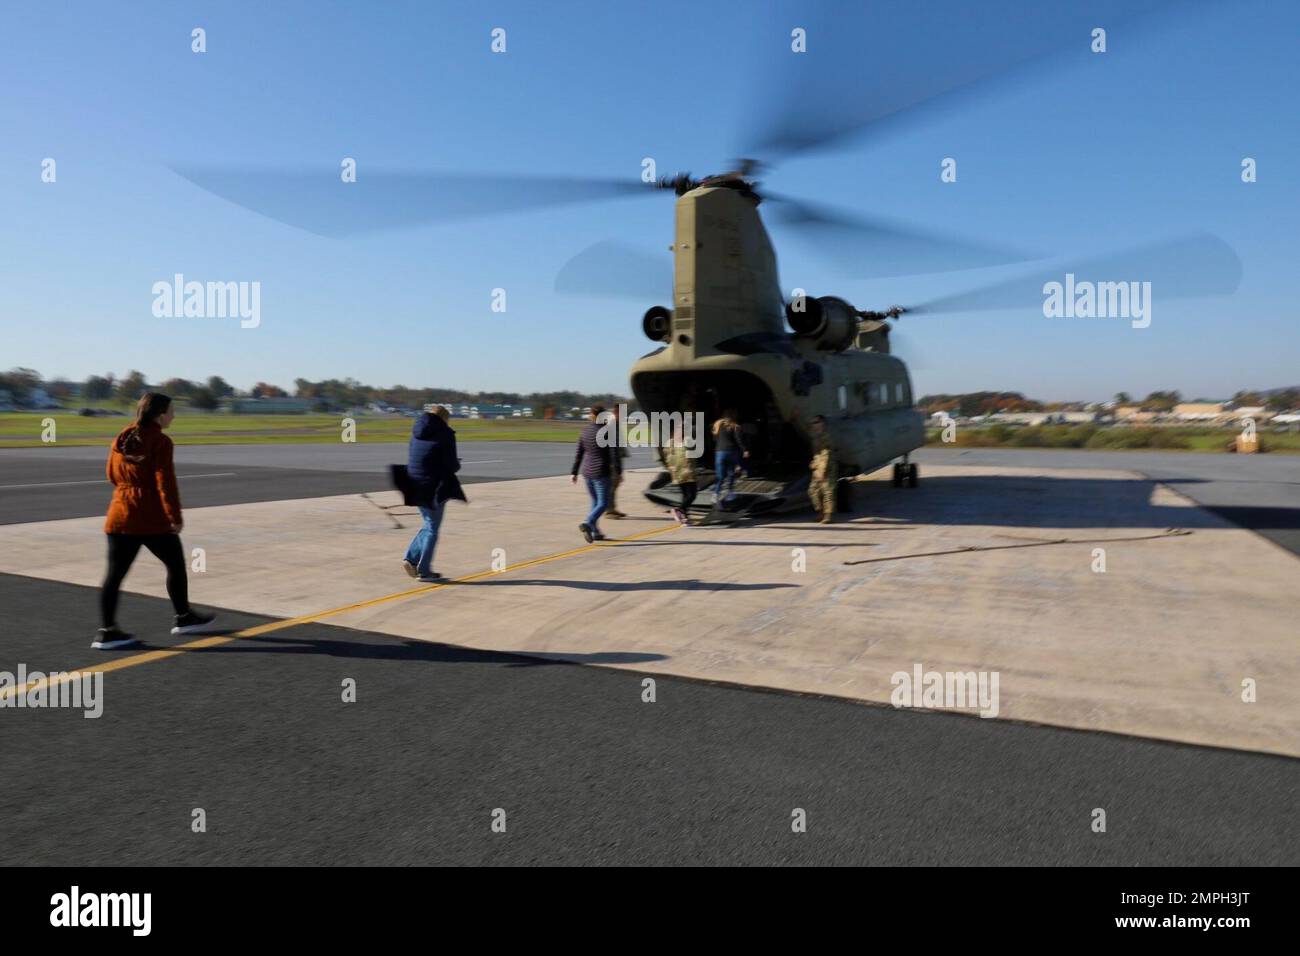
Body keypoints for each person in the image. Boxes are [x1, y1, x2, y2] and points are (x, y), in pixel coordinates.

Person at [97, 392, 215, 649]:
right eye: (172, 411)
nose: (174, 415)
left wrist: (128, 489)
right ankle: (183, 617)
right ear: (160, 415)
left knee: (114, 575)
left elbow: (110, 475)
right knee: (175, 564)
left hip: (118, 514)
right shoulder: (161, 441)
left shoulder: (122, 436)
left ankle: (107, 631)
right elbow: (166, 483)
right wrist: (175, 516)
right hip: (149, 517)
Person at [403, 406, 463, 583]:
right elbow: (451, 465)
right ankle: (424, 570)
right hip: (433, 485)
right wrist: (457, 464)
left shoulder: (416, 430)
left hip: (413, 482)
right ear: (444, 419)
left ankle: (411, 559)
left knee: (429, 524)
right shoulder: (446, 434)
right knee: (433, 528)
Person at [571, 405, 615, 542]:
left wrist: (574, 472)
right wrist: (618, 470)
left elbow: (579, 453)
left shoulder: (585, 431)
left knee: (595, 502)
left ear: (591, 415)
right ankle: (588, 522)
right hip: (601, 472)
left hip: (587, 472)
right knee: (603, 503)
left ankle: (595, 532)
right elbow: (613, 453)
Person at [711, 410, 748, 507]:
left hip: (719, 452)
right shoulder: (734, 426)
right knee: (731, 473)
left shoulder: (717, 425)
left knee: (720, 475)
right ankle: (730, 493)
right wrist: (745, 450)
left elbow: (714, 439)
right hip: (731, 452)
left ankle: (715, 494)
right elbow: (739, 440)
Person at [663, 422, 697, 525]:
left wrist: (671, 468)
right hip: (687, 471)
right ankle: (679, 509)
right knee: (692, 495)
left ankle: (684, 517)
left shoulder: (670, 442)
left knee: (685, 494)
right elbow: (691, 456)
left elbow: (666, 457)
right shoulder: (687, 441)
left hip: (676, 472)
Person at [808, 415, 838, 524]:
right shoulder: (814, 436)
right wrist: (814, 463)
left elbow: (826, 454)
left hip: (827, 467)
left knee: (828, 492)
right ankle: (820, 512)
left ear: (822, 423)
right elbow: (817, 454)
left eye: (816, 422)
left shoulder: (826, 437)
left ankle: (828, 515)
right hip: (818, 466)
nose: (814, 424)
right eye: (813, 423)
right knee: (813, 491)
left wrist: (822, 470)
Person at [605, 405, 630, 518]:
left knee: (615, 485)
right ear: (616, 412)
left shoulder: (616, 424)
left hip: (616, 458)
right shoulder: (611, 425)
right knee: (611, 485)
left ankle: (613, 508)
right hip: (611, 461)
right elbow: (611, 446)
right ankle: (609, 511)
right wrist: (616, 466)